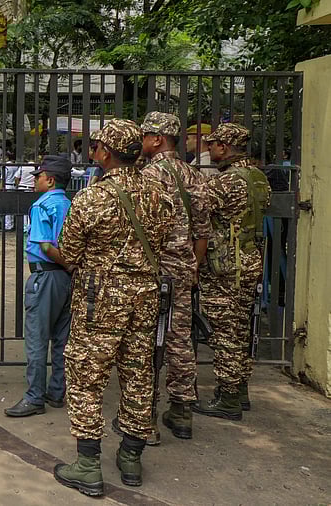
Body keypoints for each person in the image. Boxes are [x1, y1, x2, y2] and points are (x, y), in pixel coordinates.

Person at [53, 119, 172, 496]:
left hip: (99, 297)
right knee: (138, 372)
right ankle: (131, 457)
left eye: (97, 146)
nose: (93, 152)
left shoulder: (93, 197)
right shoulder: (159, 194)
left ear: (107, 152)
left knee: (87, 372)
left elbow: (69, 252)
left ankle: (88, 464)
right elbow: (165, 241)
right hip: (146, 294)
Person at [137, 112, 210, 443]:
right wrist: (194, 266)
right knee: (180, 341)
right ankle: (181, 414)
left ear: (157, 139)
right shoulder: (193, 175)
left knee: (147, 343)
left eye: (144, 135)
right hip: (182, 270)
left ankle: (145, 419)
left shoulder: (146, 176)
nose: (140, 141)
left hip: (152, 271)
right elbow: (203, 230)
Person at [191, 123, 271, 421]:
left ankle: (228, 399)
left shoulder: (225, 182)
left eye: (211, 145)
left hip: (225, 266)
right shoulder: (259, 178)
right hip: (250, 262)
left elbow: (196, 209)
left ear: (223, 147)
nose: (209, 151)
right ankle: (240, 389)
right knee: (240, 328)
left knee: (224, 333)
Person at [4, 155, 72, 418]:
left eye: (38, 176)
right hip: (66, 279)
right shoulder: (69, 204)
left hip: (46, 277)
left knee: (37, 337)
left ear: (50, 179)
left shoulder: (42, 205)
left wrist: (65, 263)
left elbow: (45, 245)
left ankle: (34, 397)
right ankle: (57, 391)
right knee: (62, 338)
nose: (34, 181)